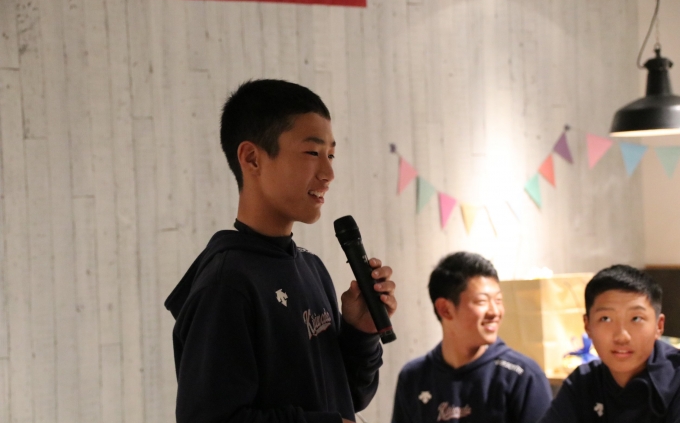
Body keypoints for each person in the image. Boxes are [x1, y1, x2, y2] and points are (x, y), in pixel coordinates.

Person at [164, 79, 397, 423]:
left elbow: (349, 395)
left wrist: (360, 332)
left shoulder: (311, 268)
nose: (328, 173)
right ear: (252, 158)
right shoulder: (226, 284)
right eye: (312, 153)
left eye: (331, 155)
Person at [392, 252, 552, 423]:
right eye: (482, 301)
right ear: (445, 309)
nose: (495, 312)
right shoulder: (413, 377)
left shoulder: (523, 376)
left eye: (498, 300)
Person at [539, 265, 680, 423]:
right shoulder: (584, 382)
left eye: (636, 319)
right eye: (606, 319)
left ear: (659, 326)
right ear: (587, 326)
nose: (622, 336)